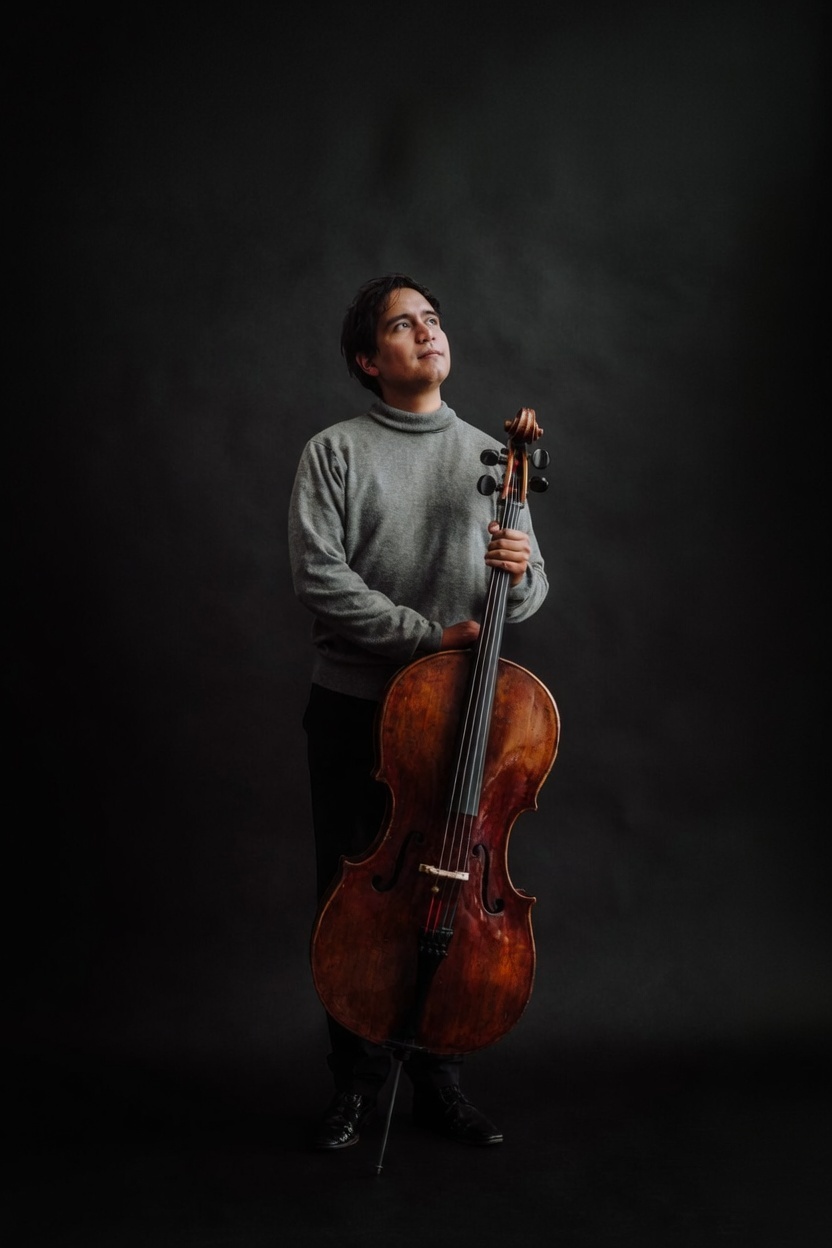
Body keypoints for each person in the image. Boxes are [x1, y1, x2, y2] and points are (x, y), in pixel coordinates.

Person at [287, 273, 549, 1151]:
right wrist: (426, 637)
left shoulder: (491, 455)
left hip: (459, 719)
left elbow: (533, 588)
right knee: (355, 899)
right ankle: (355, 1087)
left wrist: (522, 565)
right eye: (403, 326)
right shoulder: (334, 452)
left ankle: (441, 1075)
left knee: (454, 890)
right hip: (358, 710)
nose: (427, 332)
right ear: (370, 358)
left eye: (433, 319)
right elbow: (319, 580)